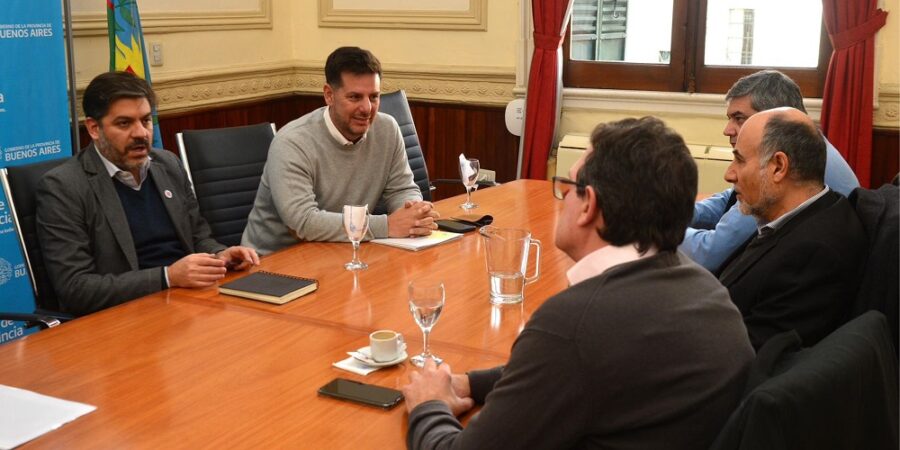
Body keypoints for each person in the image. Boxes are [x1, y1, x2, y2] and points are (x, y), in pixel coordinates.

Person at [402, 117, 754, 450]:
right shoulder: (710, 293)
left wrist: (428, 404)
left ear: (589, 207)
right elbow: (580, 370)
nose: (562, 200)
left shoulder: (575, 325)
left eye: (567, 187)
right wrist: (470, 383)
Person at [36, 71, 259, 316]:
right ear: (94, 128)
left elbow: (198, 237)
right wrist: (167, 277)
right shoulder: (64, 187)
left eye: (146, 120)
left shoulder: (168, 164)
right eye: (124, 123)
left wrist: (219, 254)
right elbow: (76, 289)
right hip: (123, 317)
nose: (141, 133)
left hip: (189, 304)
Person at [241, 46, 437, 254]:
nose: (367, 109)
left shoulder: (387, 128)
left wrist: (414, 215)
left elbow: (401, 189)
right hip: (274, 262)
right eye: (355, 97)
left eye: (374, 97)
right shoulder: (292, 142)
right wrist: (388, 226)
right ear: (329, 95)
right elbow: (303, 222)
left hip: (343, 250)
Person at [717, 107, 866, 350]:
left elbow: (749, 355)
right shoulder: (804, 213)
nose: (729, 174)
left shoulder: (814, 254)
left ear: (778, 166)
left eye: (740, 160)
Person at [681, 70, 859, 272]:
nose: (727, 130)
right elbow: (730, 199)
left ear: (775, 118)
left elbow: (708, 254)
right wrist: (673, 213)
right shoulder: (803, 144)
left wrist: (650, 227)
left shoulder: (792, 163)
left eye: (739, 118)